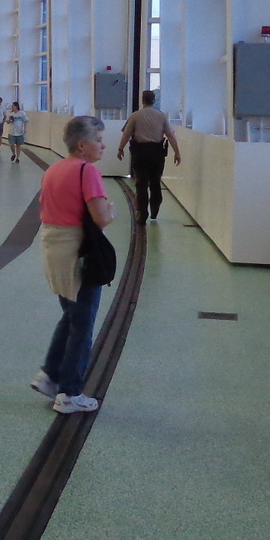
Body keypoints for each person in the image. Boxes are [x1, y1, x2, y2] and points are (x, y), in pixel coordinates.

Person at [32, 116, 114, 414]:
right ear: (82, 145)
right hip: (78, 254)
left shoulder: (54, 169)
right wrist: (110, 211)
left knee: (70, 315)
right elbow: (101, 217)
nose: (103, 145)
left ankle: (50, 374)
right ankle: (70, 393)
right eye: (99, 140)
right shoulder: (87, 171)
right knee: (83, 323)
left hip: (54, 249)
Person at [116, 89, 181, 222]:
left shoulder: (135, 116)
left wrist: (120, 148)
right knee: (155, 181)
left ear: (142, 100)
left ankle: (142, 211)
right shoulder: (161, 116)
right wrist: (177, 152)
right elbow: (170, 135)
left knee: (141, 183)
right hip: (157, 153)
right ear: (154, 100)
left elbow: (126, 134)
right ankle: (155, 207)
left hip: (140, 153)